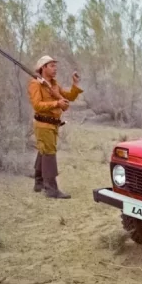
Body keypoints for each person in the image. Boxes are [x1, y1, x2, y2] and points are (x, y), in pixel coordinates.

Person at [28, 55, 83, 199]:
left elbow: (69, 96)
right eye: (51, 66)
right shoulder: (36, 84)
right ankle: (51, 190)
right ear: (43, 68)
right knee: (49, 154)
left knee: (43, 151)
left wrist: (75, 84)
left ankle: (38, 183)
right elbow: (37, 105)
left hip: (52, 124)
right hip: (43, 124)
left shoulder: (54, 84)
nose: (55, 68)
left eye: (55, 65)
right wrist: (56, 104)